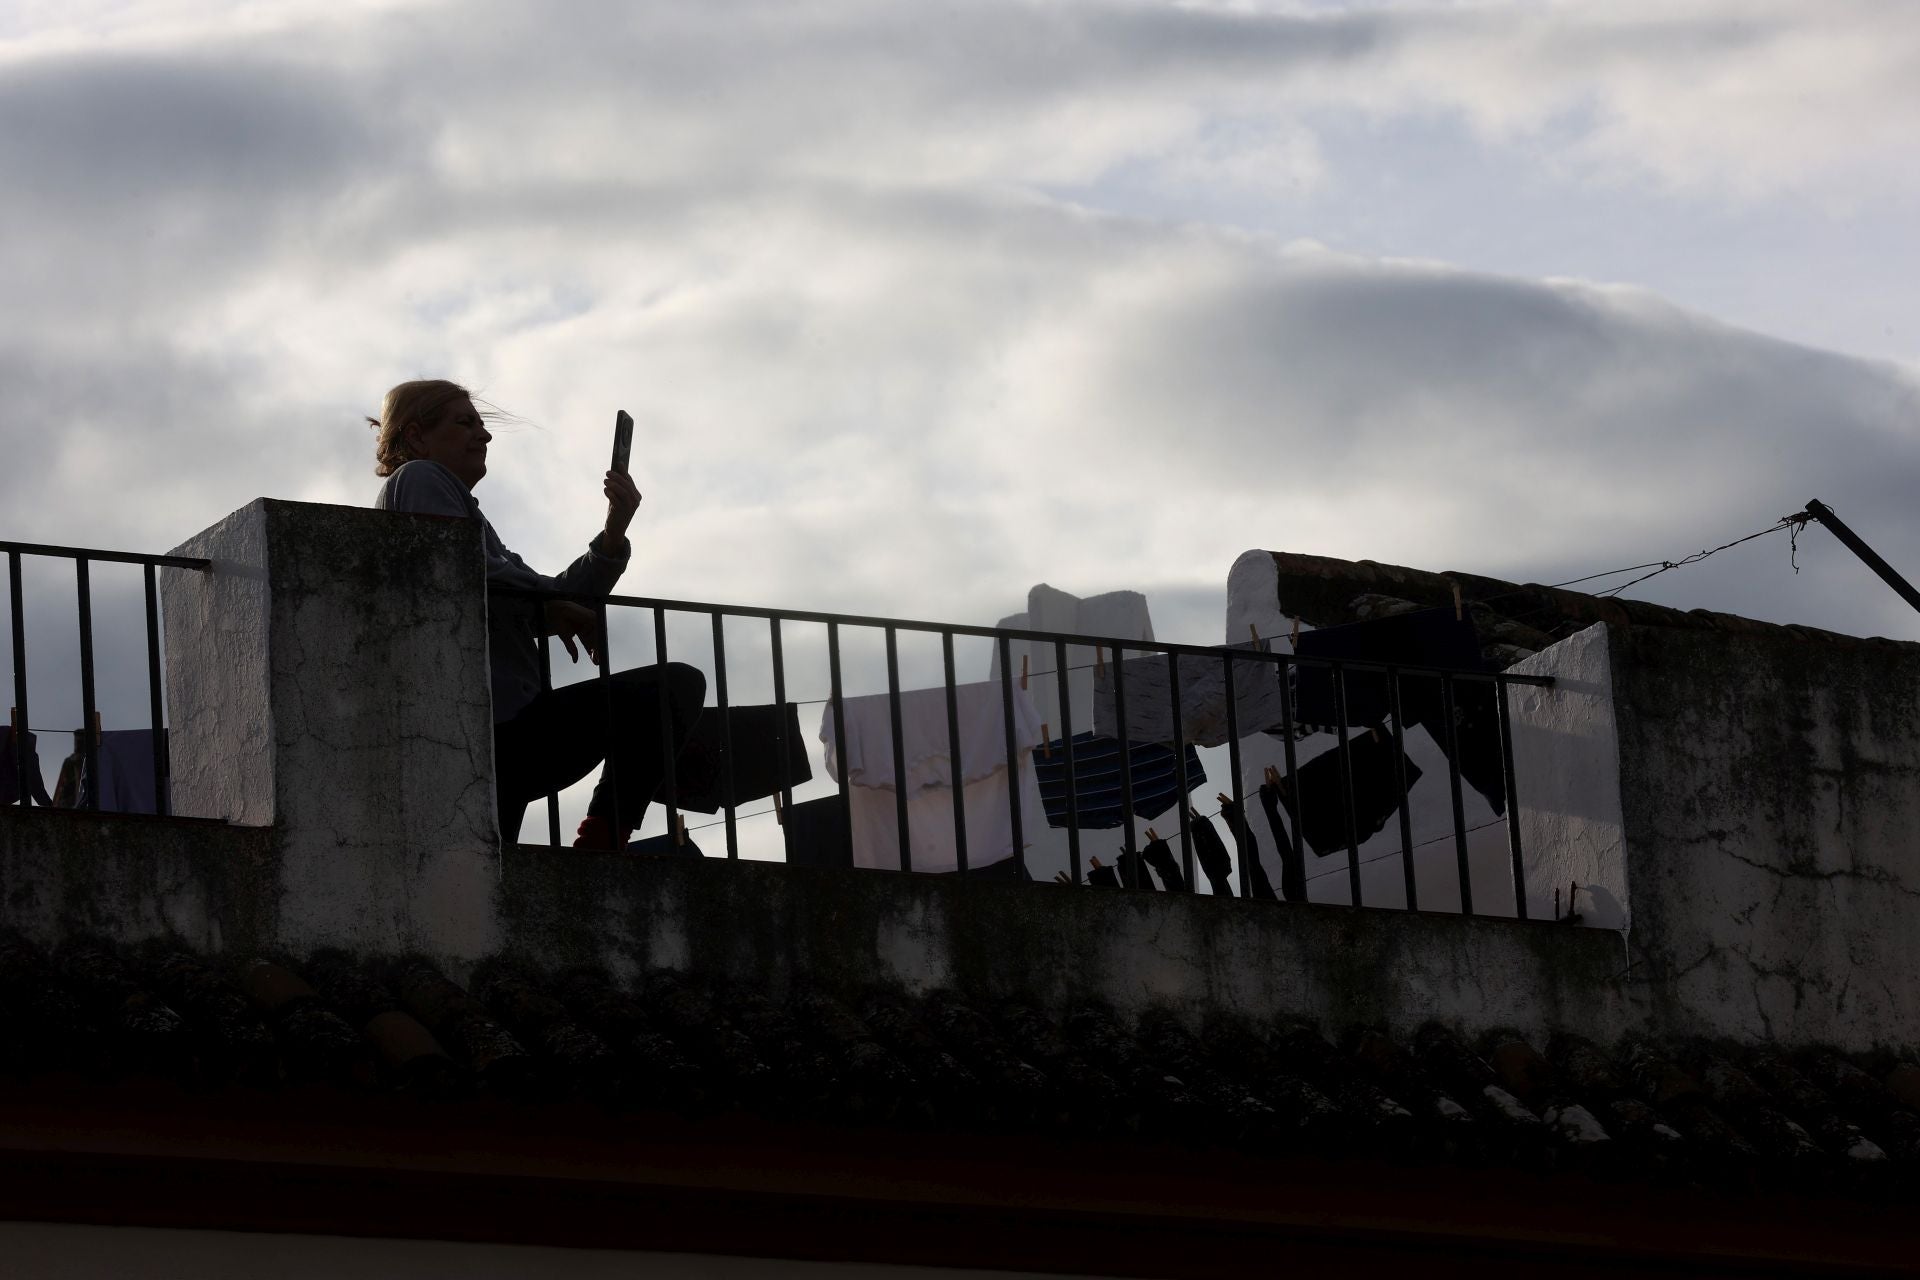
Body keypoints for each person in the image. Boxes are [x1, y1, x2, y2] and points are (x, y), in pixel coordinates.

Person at [369, 379, 705, 849]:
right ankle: (604, 834)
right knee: (674, 688)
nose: (483, 436)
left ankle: (603, 837)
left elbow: (550, 594)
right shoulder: (420, 477)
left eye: (482, 425)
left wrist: (613, 532)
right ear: (416, 437)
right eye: (465, 423)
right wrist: (550, 603)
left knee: (490, 882)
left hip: (498, 721)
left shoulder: (467, 514)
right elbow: (462, 571)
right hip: (492, 726)